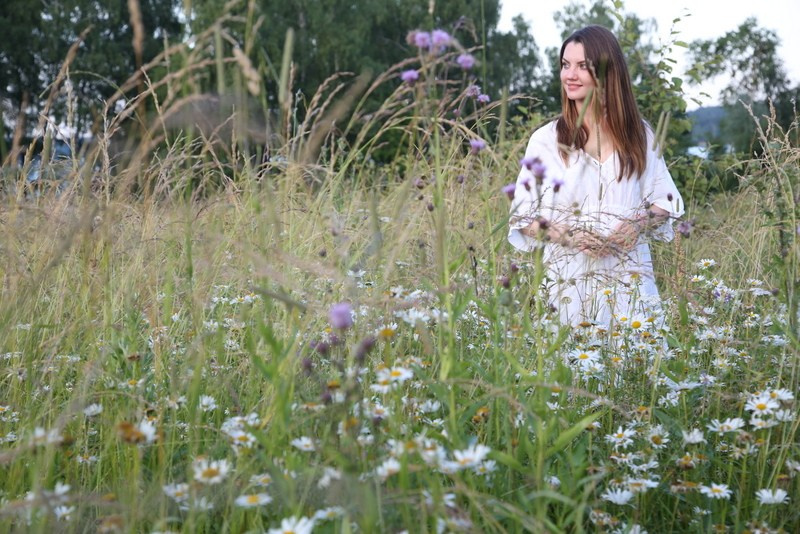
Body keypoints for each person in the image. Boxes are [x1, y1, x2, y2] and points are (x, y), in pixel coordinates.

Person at [508, 25, 684, 328]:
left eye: (582, 66)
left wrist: (636, 224)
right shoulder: (546, 140)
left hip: (630, 279)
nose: (569, 75)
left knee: (632, 366)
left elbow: (665, 202)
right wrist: (571, 236)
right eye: (565, 65)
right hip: (569, 281)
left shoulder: (639, 135)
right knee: (572, 366)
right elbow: (523, 218)